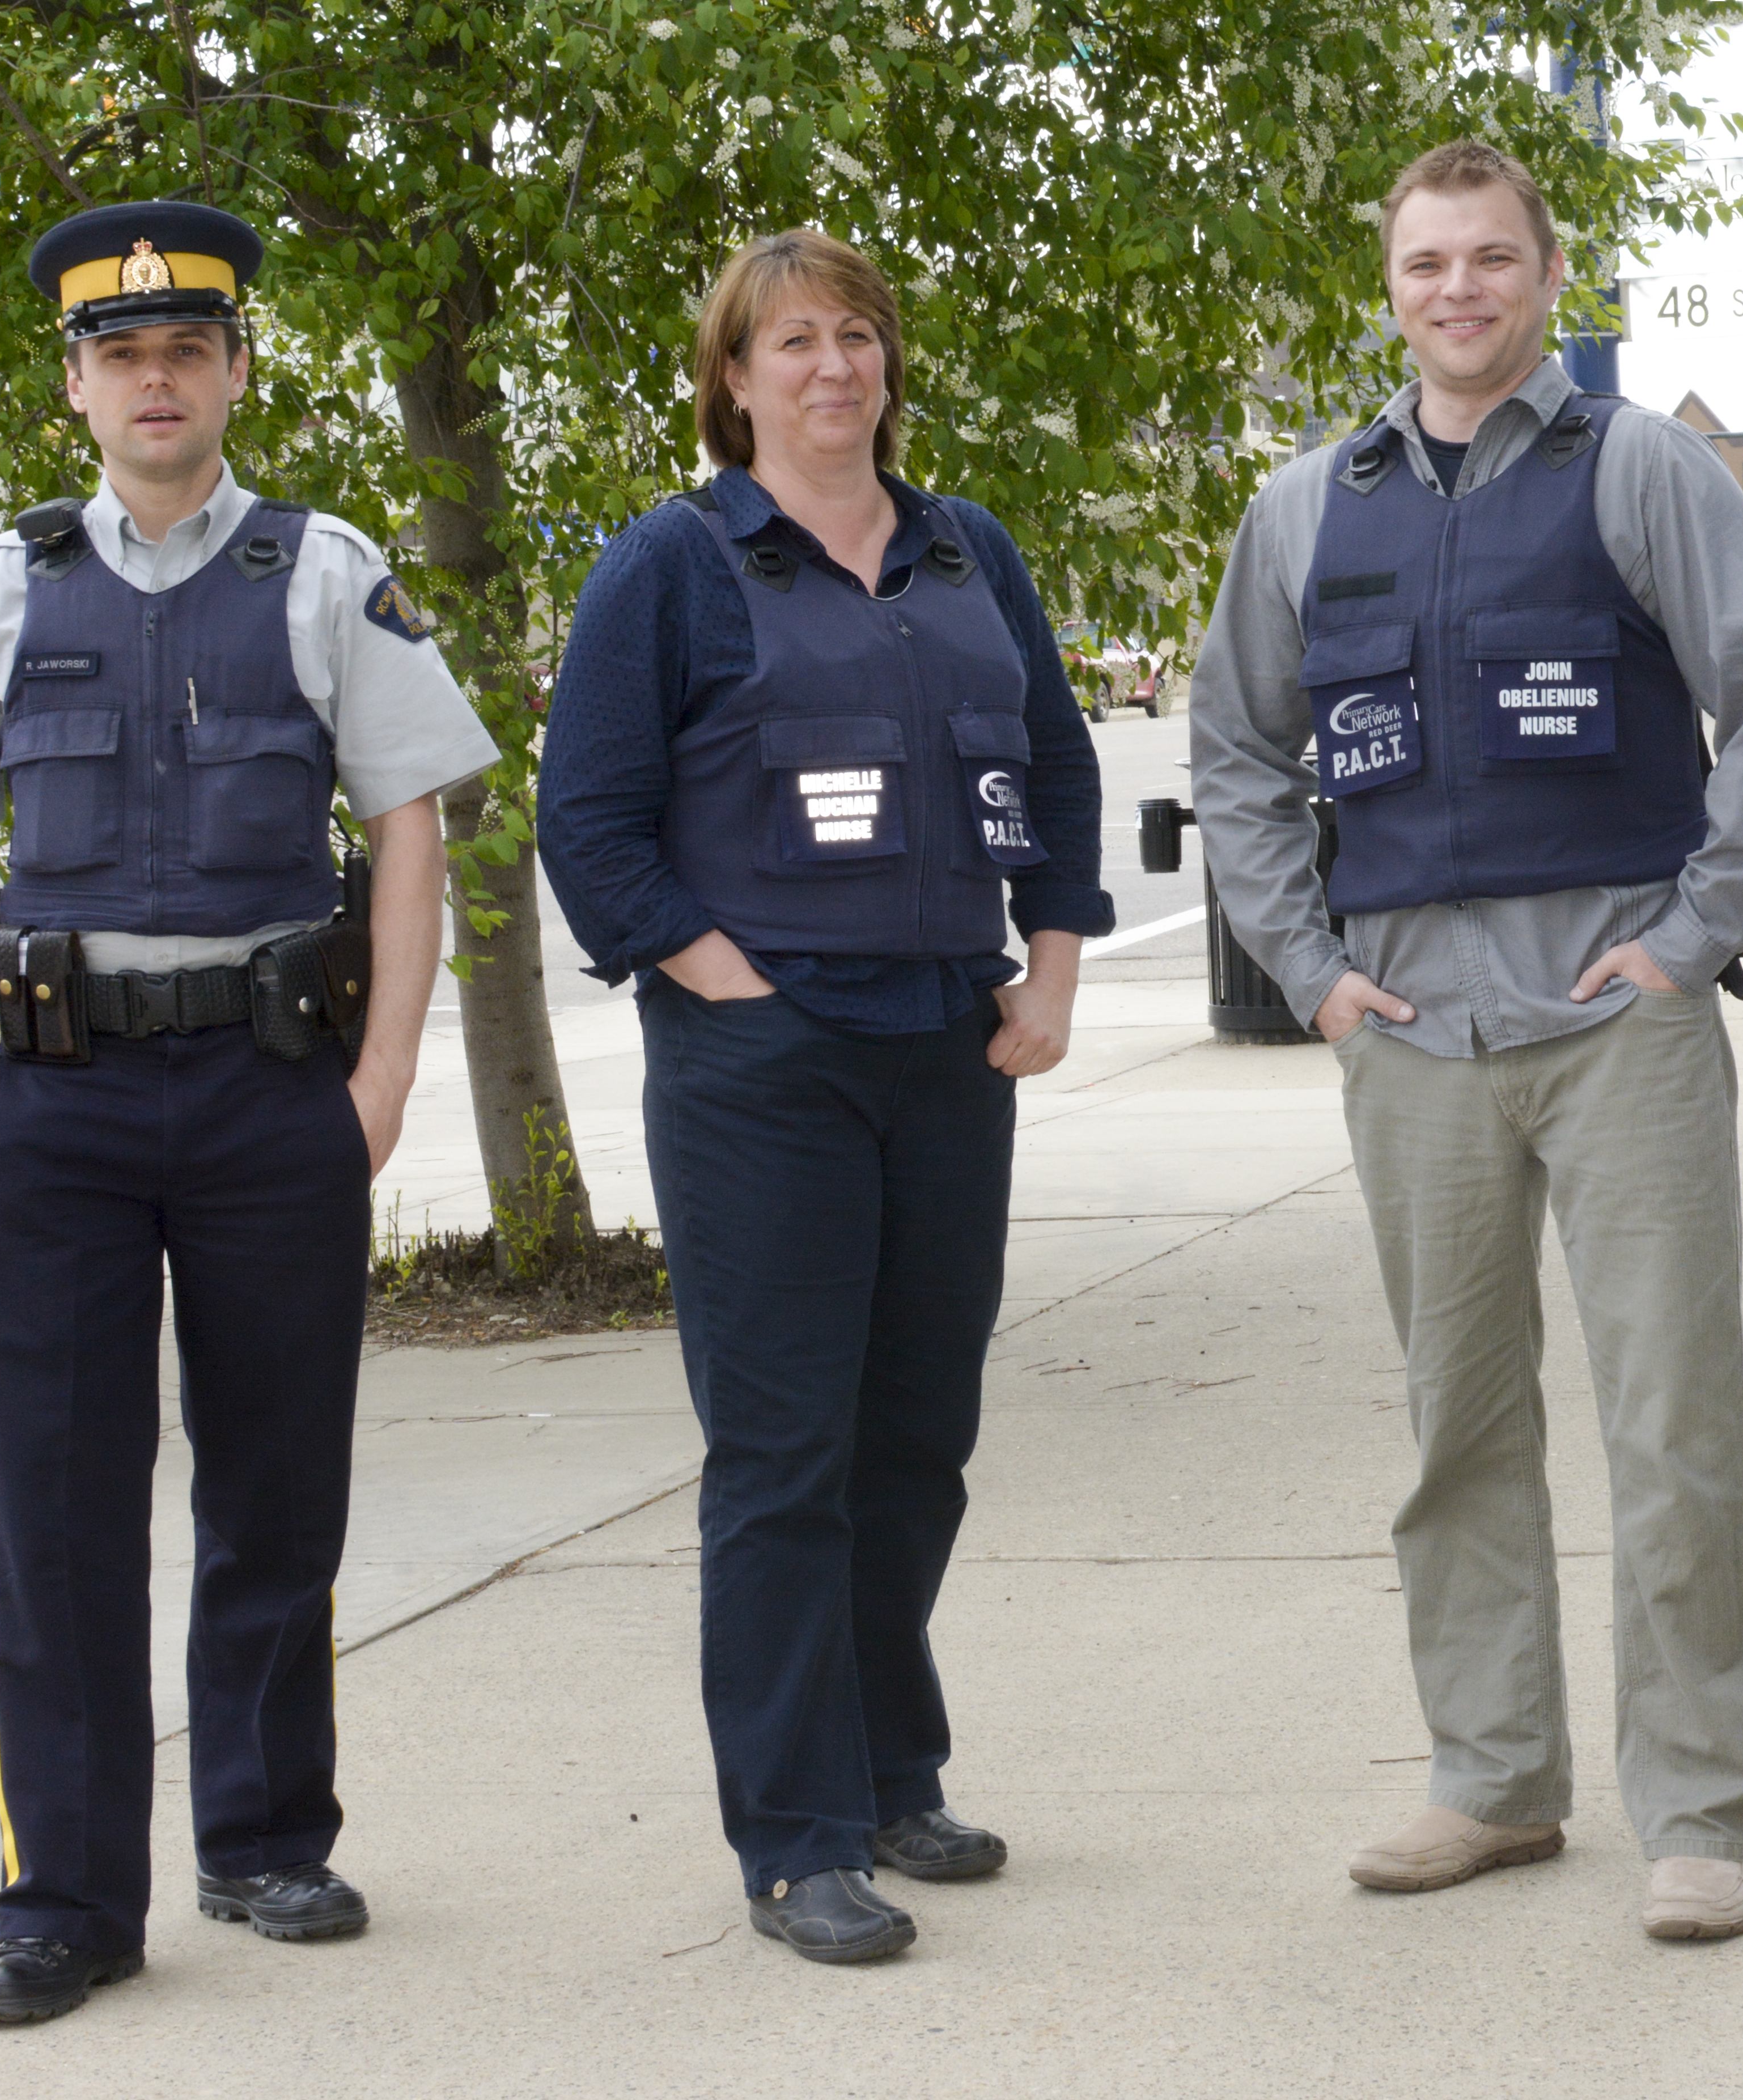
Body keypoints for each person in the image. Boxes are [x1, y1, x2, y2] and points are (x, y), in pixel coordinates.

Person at [0, 200, 497, 2025]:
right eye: (123, 356)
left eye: (189, 350)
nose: (159, 380)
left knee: (278, 1483)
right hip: (46, 1104)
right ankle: (63, 1896)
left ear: (234, 370)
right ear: (77, 386)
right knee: (55, 1511)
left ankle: (267, 1833)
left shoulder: (320, 570)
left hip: (269, 1089)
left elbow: (406, 828)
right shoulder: (4, 585)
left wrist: (381, 1076)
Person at [1190, 140, 1743, 1942]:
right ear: (1388, 289)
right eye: (1425, 266)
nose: (1457, 291)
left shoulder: (1640, 468)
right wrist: (1307, 967)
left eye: (1490, 259)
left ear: (1549, 274)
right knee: (1454, 1427)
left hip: (1615, 1022)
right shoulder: (1313, 503)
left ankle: (1701, 1807)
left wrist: (1699, 933)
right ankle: (1492, 1778)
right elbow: (1237, 750)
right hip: (1410, 1033)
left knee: (1671, 1423)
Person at [537, 228, 1112, 1966]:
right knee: (784, 1458)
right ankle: (794, 1838)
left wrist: (1055, 971)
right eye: (793, 342)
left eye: (857, 337)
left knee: (916, 1438)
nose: (833, 368)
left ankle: (888, 1773)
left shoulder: (967, 552)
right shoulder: (676, 565)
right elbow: (592, 821)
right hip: (763, 1075)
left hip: (951, 1047)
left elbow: (1062, 770)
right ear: (733, 380)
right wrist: (722, 980)